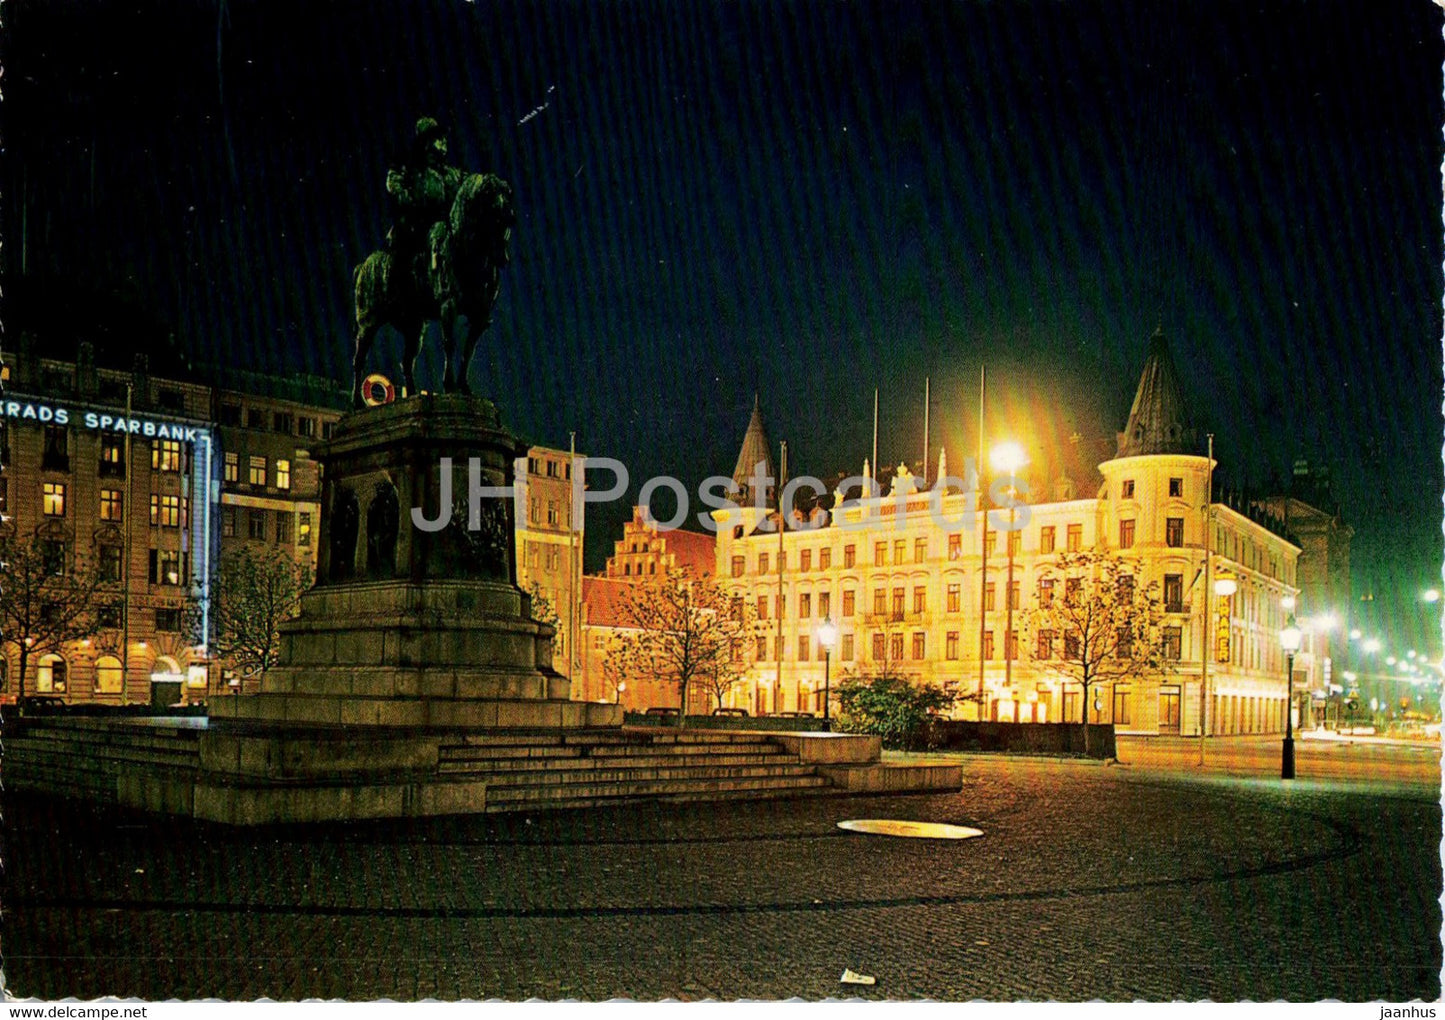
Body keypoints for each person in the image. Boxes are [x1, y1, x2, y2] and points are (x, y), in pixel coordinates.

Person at [384, 117, 466, 278]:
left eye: (443, 137)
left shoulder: (453, 174)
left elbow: (468, 187)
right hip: (417, 229)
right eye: (437, 137)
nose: (443, 141)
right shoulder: (411, 169)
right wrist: (407, 200)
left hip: (447, 230)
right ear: (426, 142)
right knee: (404, 259)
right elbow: (394, 183)